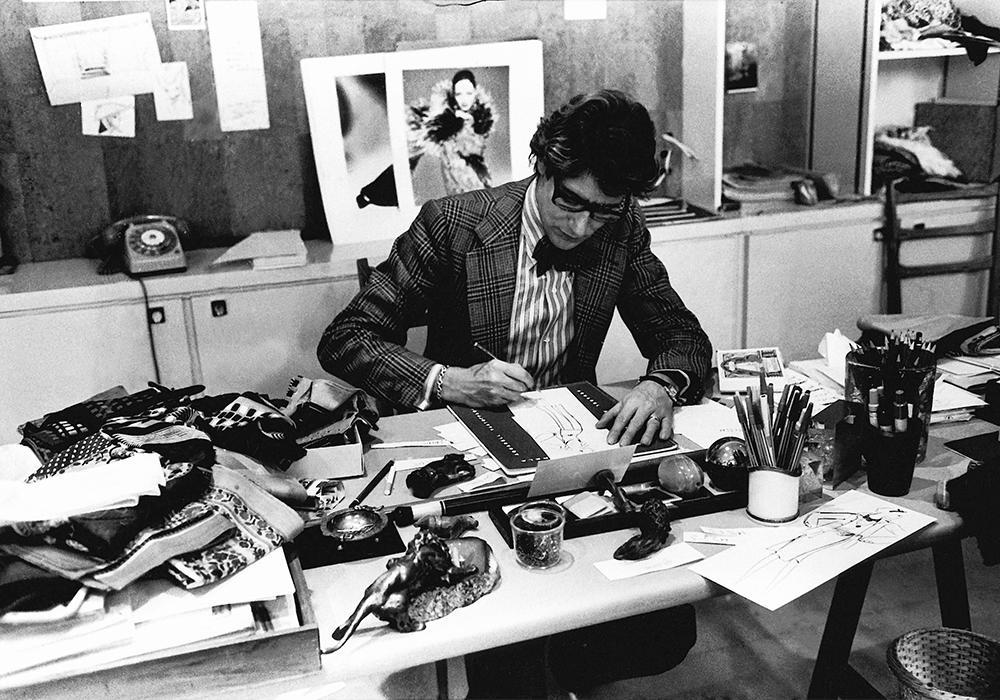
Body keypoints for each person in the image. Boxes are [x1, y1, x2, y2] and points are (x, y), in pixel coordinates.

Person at [319, 88, 712, 447]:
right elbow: (345, 338)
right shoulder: (451, 224)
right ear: (542, 166)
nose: (580, 228)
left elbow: (681, 336)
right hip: (459, 434)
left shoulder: (622, 226)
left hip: (573, 439)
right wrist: (450, 382)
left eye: (602, 213)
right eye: (570, 203)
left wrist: (660, 386)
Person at [407, 68, 496, 195]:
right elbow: (424, 138)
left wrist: (468, 122)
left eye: (469, 93)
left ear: (475, 93)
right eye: (459, 94)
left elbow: (473, 150)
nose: (464, 100)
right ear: (453, 95)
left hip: (477, 179)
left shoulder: (481, 118)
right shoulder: (444, 120)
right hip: (455, 181)